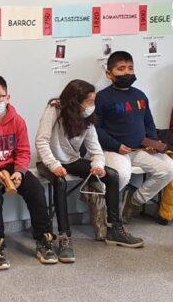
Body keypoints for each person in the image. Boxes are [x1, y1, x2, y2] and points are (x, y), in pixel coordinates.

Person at [35, 79, 143, 262]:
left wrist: (98, 166)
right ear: (75, 101)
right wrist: (54, 165)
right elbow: (41, 141)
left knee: (112, 175)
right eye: (89, 102)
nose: (92, 106)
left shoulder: (88, 119)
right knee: (60, 183)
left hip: (72, 160)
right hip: (47, 161)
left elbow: (96, 150)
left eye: (94, 101)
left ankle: (114, 229)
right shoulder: (55, 109)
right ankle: (64, 237)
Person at [0, 74, 57, 270]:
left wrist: (20, 172)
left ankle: (44, 239)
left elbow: (23, 151)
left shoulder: (17, 121)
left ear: (7, 98)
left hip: (11, 167)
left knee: (36, 190)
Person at [94, 51, 173, 222]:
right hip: (112, 151)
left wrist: (152, 142)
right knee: (122, 174)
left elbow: (149, 123)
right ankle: (104, 209)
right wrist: (116, 146)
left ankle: (134, 201)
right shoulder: (101, 97)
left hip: (139, 150)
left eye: (130, 68)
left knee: (169, 168)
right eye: (121, 69)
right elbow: (95, 129)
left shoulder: (140, 95)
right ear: (109, 74)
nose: (127, 72)